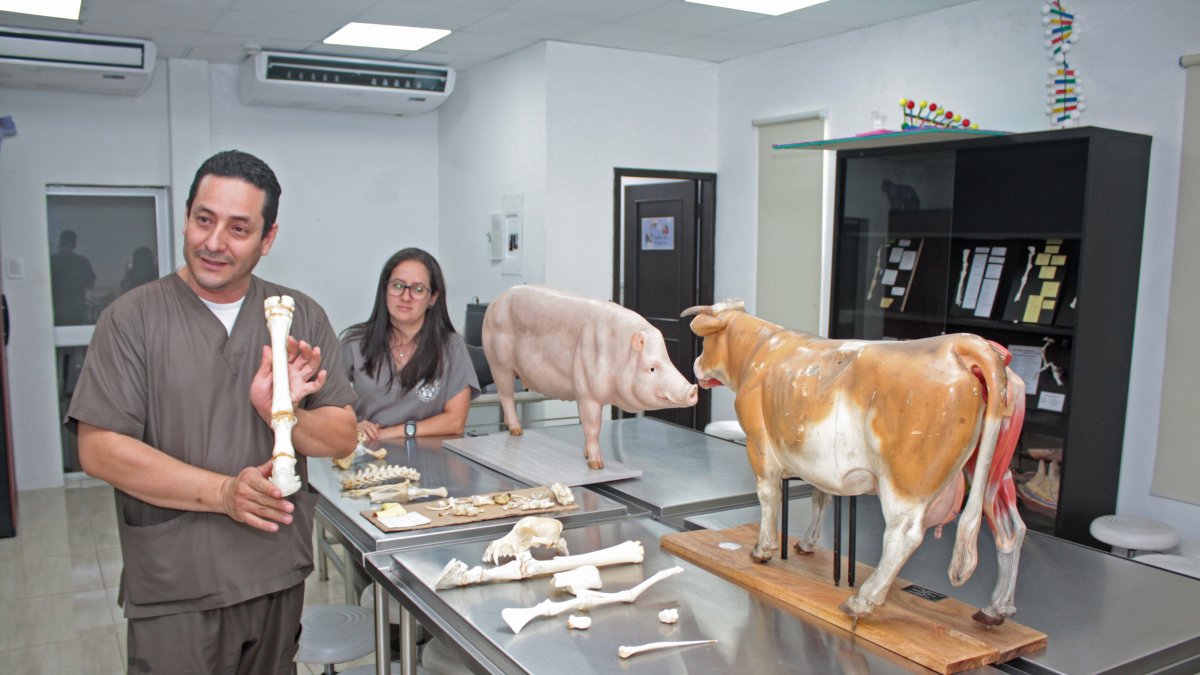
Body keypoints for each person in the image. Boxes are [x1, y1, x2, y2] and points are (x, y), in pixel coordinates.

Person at [66, 150, 357, 674]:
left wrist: (284, 414)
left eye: (239, 228)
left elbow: (341, 437)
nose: (214, 242)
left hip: (275, 573)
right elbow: (99, 448)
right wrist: (224, 493)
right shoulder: (132, 320)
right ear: (186, 218)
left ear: (268, 240)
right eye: (204, 219)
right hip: (177, 585)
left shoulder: (300, 316)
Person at [341, 248, 479, 440]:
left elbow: (455, 422)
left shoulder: (451, 347)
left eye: (418, 289)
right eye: (398, 286)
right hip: (367, 459)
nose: (406, 297)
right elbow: (325, 404)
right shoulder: (354, 343)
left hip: (432, 460)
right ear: (385, 290)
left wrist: (391, 433)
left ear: (432, 298)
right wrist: (350, 424)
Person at [50, 229, 96, 324]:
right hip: (76, 310)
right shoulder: (83, 262)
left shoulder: (51, 262)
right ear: (74, 245)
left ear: (60, 243)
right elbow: (91, 284)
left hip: (56, 310)